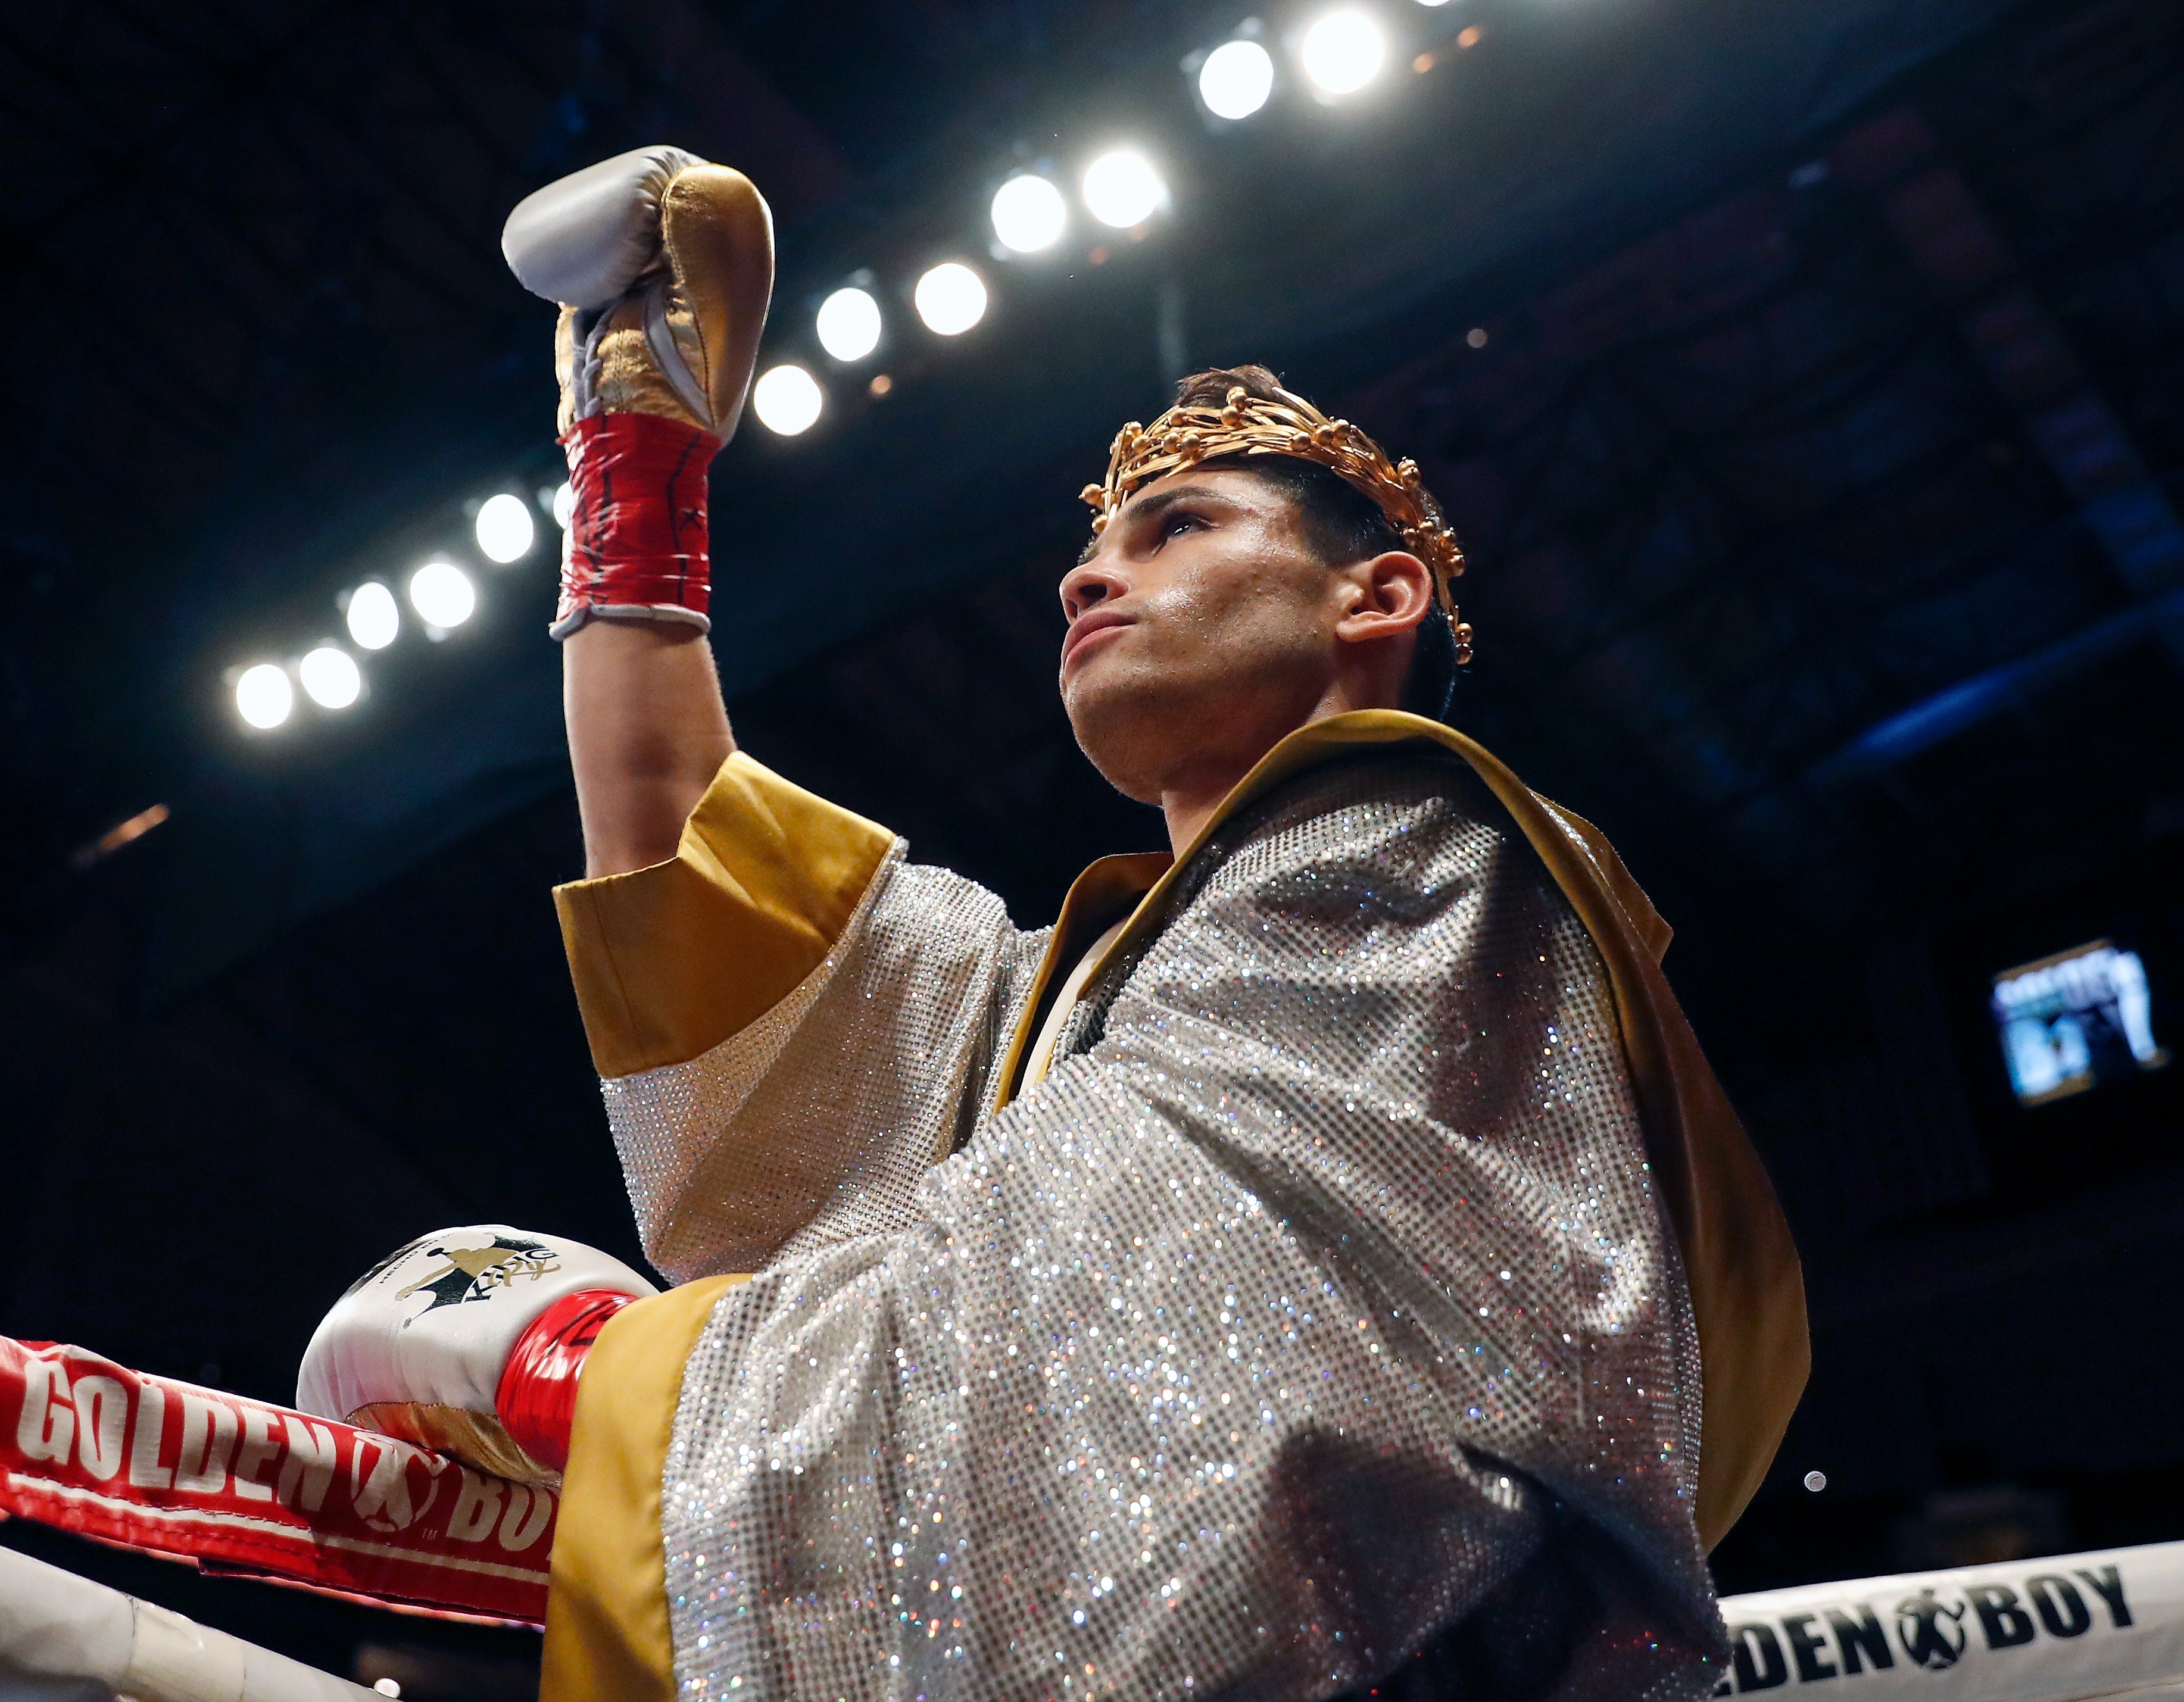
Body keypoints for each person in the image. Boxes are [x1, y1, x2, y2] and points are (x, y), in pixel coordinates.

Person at [365, 144, 1810, 1702]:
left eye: (1176, 528)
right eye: (1091, 550)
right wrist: (636, 460)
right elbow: (698, 895)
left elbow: (1184, 1437)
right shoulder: (1090, 1008)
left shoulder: (1420, 856)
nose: (1085, 578)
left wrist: (605, 1371)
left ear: (1375, 597)